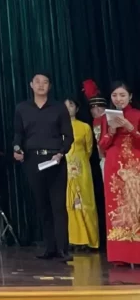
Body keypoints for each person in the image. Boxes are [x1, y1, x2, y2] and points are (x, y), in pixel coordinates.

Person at [12, 73, 72, 261]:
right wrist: (16, 148)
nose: (41, 85)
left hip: (55, 159)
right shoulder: (22, 108)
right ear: (31, 84)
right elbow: (18, 134)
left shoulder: (59, 108)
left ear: (49, 86)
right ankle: (50, 248)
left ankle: (63, 249)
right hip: (33, 160)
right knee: (42, 205)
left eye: (45, 82)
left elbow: (69, 136)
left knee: (58, 206)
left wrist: (61, 153)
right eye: (37, 82)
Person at [98, 81, 140, 265]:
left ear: (130, 96)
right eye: (114, 95)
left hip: (134, 164)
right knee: (116, 207)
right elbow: (102, 145)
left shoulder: (137, 115)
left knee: (135, 206)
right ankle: (120, 255)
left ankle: (136, 253)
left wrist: (131, 128)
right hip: (114, 166)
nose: (118, 99)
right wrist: (112, 131)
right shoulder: (105, 117)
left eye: (122, 95)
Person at [64, 98, 99, 250]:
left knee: (85, 202)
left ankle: (90, 240)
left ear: (77, 109)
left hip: (82, 168)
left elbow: (89, 149)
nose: (68, 108)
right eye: (65, 106)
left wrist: (79, 161)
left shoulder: (85, 127)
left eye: (71, 105)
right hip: (64, 168)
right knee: (69, 202)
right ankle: (73, 240)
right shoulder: (57, 127)